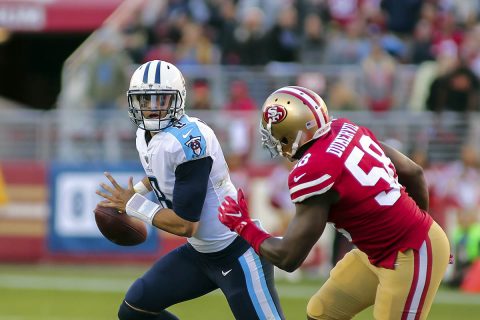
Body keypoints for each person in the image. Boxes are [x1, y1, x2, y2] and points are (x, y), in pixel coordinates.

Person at [218, 85, 451, 320]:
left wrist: (243, 226)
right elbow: (414, 172)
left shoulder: (314, 170)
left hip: (411, 252)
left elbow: (289, 257)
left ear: (292, 132)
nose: (272, 138)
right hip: (378, 253)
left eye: (275, 131)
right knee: (322, 313)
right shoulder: (345, 128)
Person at [96, 60, 284, 320]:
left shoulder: (190, 142)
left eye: (160, 99)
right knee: (134, 309)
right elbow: (161, 175)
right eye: (144, 99)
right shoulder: (145, 136)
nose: (151, 108)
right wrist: (136, 191)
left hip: (237, 253)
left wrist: (133, 205)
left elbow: (186, 225)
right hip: (200, 253)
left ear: (177, 99)